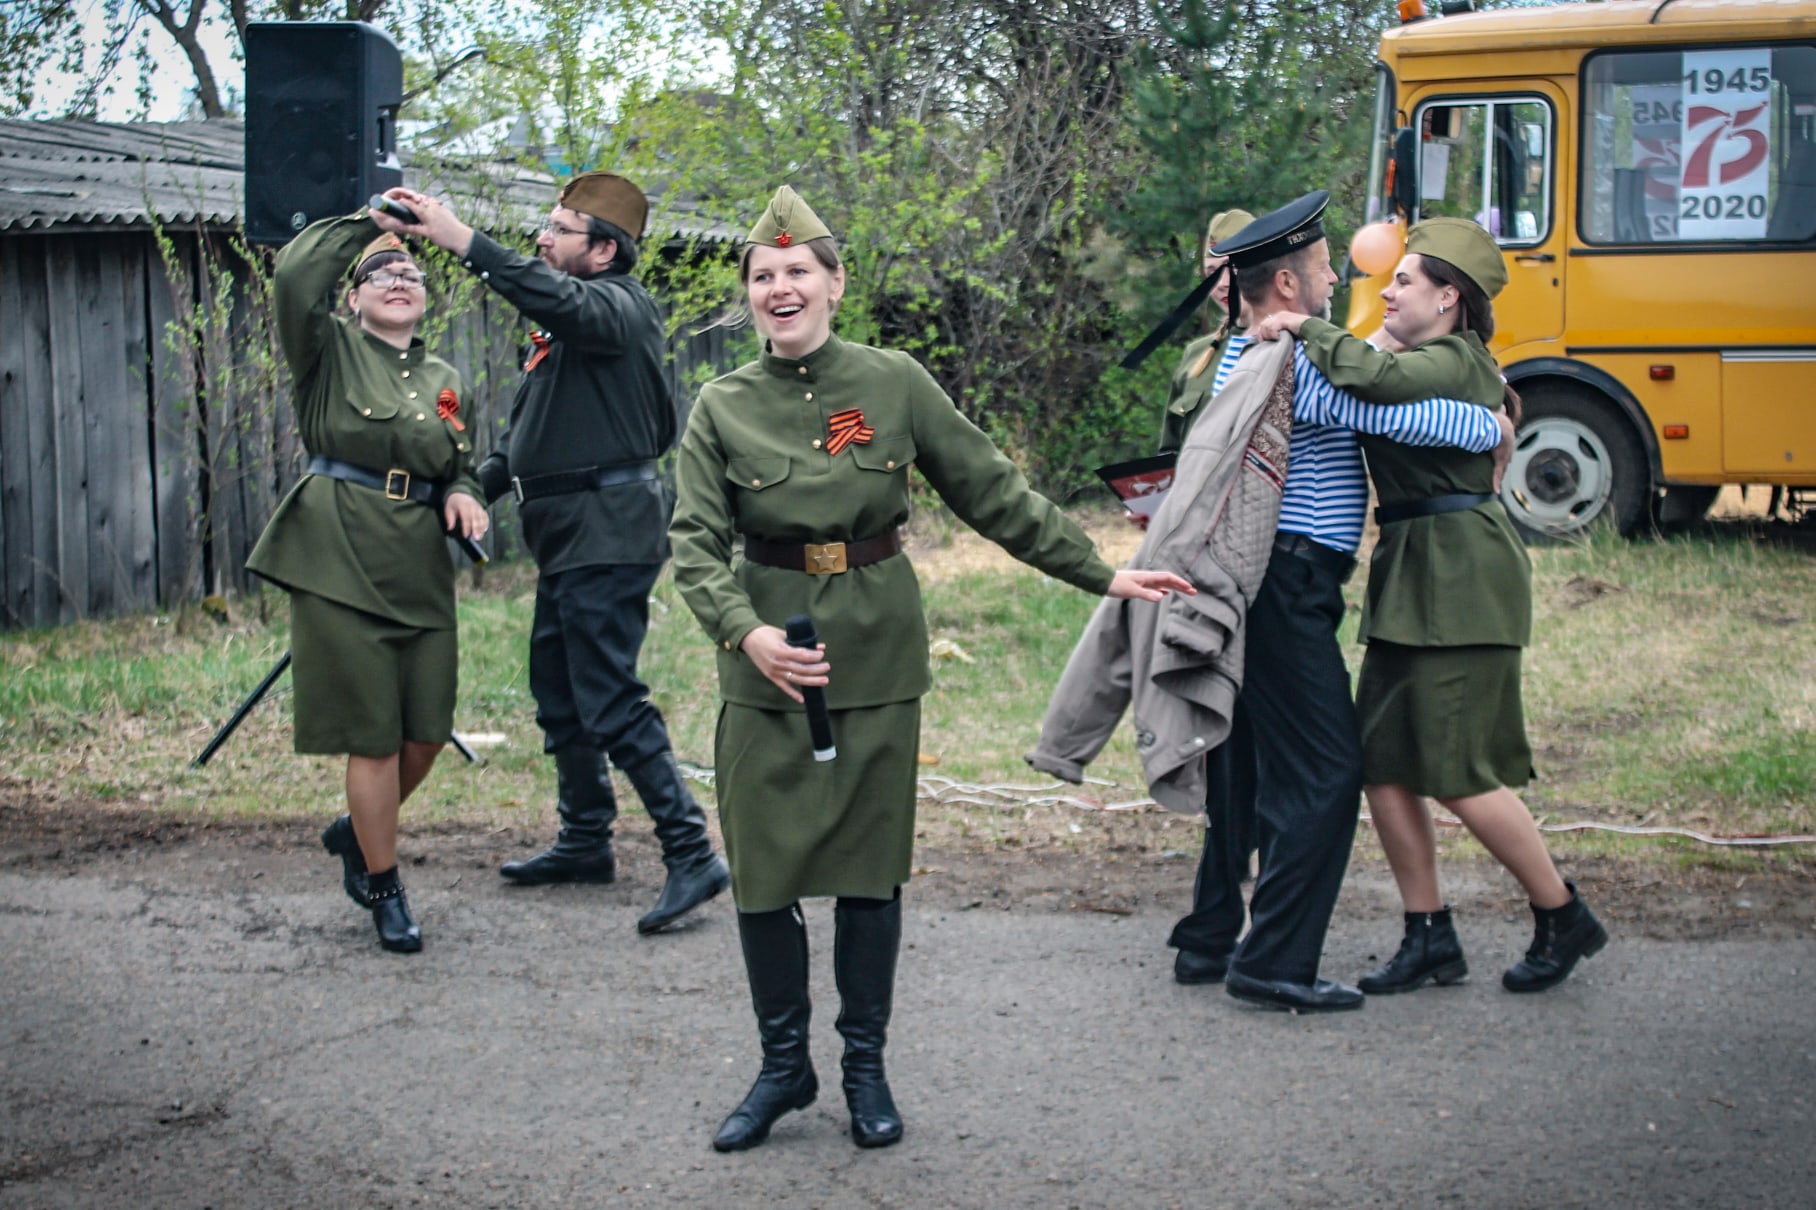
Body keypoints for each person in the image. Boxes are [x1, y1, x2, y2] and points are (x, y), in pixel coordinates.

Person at [668, 186, 1192, 1152]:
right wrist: (745, 634)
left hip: (875, 658)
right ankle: (784, 1069)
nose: (780, 288)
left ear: (834, 284)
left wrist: (1102, 572)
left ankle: (864, 1068)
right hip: (767, 667)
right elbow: (695, 545)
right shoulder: (720, 406)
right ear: (749, 295)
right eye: (763, 276)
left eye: (798, 271)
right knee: (764, 877)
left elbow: (994, 492)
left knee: (870, 875)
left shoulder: (895, 381)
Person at [1251, 217, 1607, 994]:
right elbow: (1362, 372)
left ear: (1449, 298)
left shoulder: (1455, 360)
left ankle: (1562, 913)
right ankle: (1429, 935)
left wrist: (1302, 322)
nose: (1387, 289)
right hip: (1413, 569)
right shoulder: (1412, 357)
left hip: (1463, 574)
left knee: (1456, 768)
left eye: (1405, 280)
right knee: (1382, 763)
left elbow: (1370, 383)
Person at [1176, 191, 1511, 1013]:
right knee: (1328, 772)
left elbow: (1369, 371)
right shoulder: (1285, 363)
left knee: (1261, 770)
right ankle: (1274, 963)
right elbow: (1401, 414)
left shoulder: (1265, 353)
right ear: (1290, 287)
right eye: (1326, 269)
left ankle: (1218, 942)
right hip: (1285, 586)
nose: (1339, 280)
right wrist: (1492, 427)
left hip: (1283, 584)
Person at [373, 175, 730, 935]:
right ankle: (585, 839)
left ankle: (691, 850)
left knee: (608, 695)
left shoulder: (620, 308)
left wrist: (461, 239)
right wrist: (461, 495)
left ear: (603, 251)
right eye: (548, 224)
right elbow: (522, 445)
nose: (543, 237)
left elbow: (552, 296)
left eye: (561, 229)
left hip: (609, 528)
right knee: (559, 691)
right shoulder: (566, 333)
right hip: (569, 533)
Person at [246, 213, 489, 954]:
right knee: (375, 739)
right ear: (352, 298)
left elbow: (460, 463)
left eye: (410, 273)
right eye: (378, 274)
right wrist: (366, 225)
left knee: (426, 734)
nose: (397, 280)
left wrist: (465, 492)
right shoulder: (326, 350)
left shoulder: (446, 380)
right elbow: (295, 276)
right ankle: (384, 886)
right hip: (339, 560)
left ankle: (358, 832)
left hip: (418, 569)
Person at [1156, 206, 1262, 989]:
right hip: (1197, 571)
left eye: (1234, 266)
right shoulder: (1197, 360)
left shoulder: (1295, 349)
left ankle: (1260, 919)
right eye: (1210, 269)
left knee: (1265, 750)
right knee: (1220, 750)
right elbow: (1173, 460)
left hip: (1261, 572)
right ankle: (1217, 918)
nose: (1221, 281)